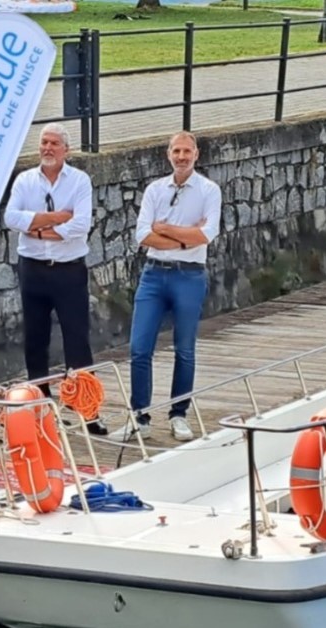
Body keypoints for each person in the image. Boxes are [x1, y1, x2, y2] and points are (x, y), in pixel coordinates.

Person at [3, 123, 107, 436]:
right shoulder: (25, 180)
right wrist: (52, 219)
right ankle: (40, 406)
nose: (47, 148)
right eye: (43, 143)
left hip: (68, 269)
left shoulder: (79, 181)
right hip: (33, 269)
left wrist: (37, 228)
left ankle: (88, 411)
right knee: (36, 340)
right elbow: (11, 218)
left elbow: (81, 224)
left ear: (66, 149)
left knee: (77, 341)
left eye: (53, 144)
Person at [130, 132, 222, 442]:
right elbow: (142, 234)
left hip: (190, 275)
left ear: (197, 154)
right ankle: (139, 416)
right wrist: (186, 236)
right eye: (176, 151)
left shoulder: (209, 190)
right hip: (154, 274)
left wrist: (166, 229)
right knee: (139, 348)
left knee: (185, 349)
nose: (181, 156)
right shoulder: (155, 190)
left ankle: (178, 413)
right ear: (168, 154)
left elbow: (207, 233)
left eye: (187, 151)